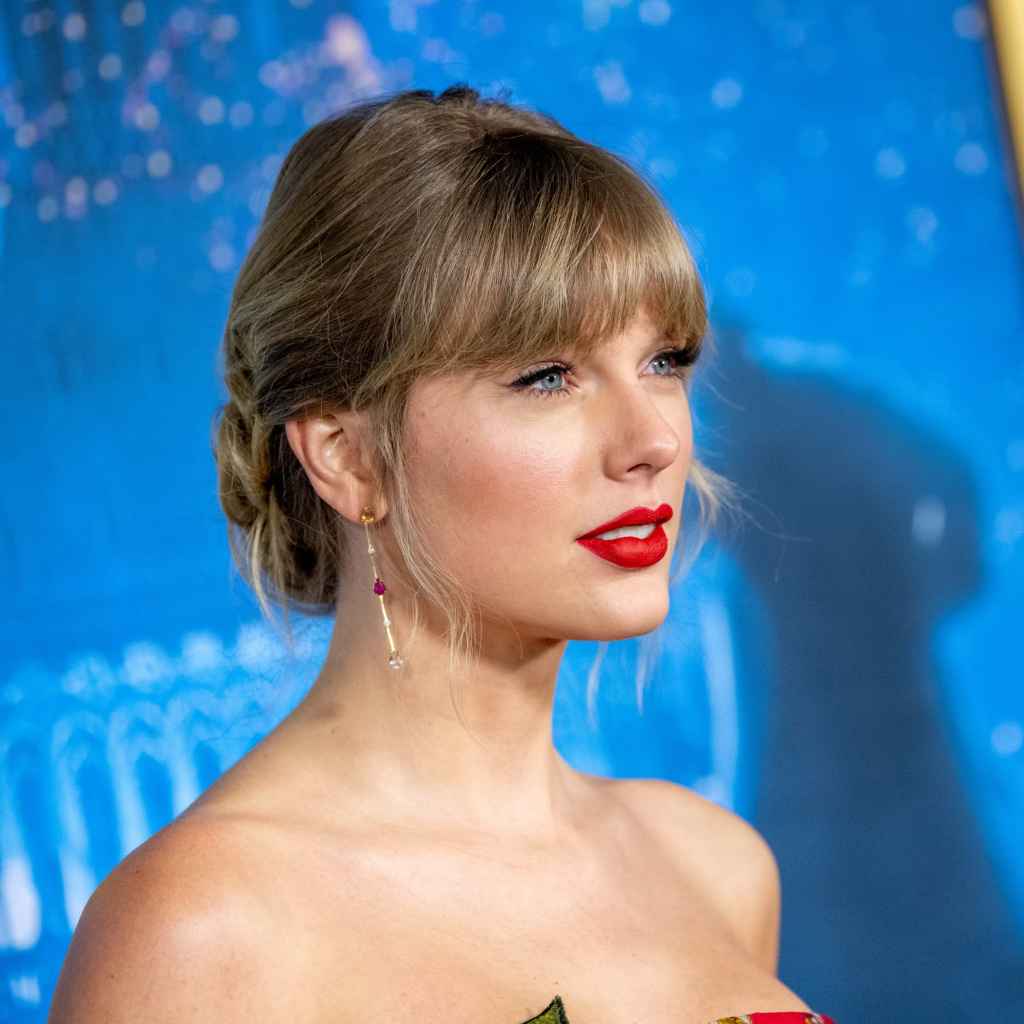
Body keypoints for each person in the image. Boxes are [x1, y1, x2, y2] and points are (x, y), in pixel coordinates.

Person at [48, 84, 836, 1024]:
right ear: (346, 456)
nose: (653, 439)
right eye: (548, 376)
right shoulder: (204, 931)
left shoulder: (717, 868)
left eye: (664, 361)